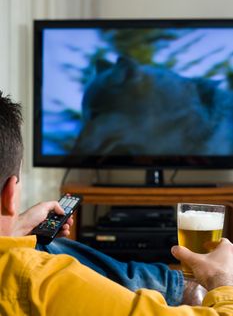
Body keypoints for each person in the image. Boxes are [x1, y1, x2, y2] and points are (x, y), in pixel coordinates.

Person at [0, 90, 233, 315]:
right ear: (11, 193)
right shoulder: (39, 279)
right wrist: (223, 280)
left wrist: (18, 226)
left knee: (44, 242)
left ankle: (180, 287)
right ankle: (185, 288)